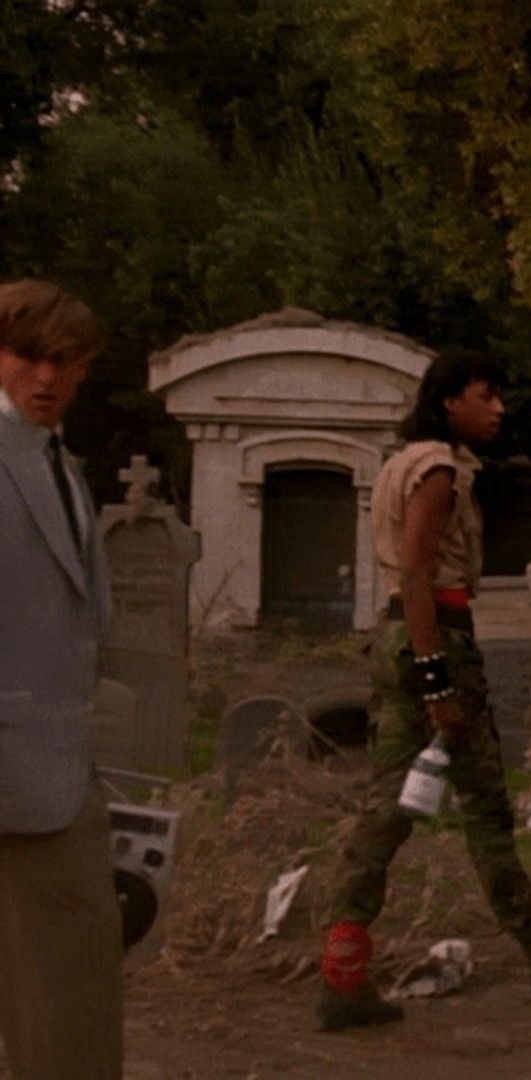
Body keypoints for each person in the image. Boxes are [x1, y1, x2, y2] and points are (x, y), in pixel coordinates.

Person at [318, 350, 531, 1031]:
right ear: (450, 400)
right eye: (486, 395)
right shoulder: (437, 471)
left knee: (387, 810)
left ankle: (343, 971)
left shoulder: (403, 462)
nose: (498, 409)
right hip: (436, 640)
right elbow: (418, 574)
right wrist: (436, 679)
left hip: (405, 639)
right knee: (483, 812)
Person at [0, 280, 121, 1080]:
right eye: (28, 356)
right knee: (61, 1005)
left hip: (60, 764)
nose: (46, 377)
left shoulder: (57, 461)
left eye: (66, 360)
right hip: (15, 770)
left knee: (71, 991)